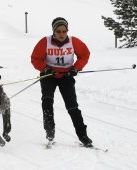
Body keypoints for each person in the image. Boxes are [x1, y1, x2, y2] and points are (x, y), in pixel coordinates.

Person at [31, 17, 92, 146]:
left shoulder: (73, 41)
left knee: (72, 106)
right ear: (54, 31)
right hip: (49, 75)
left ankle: (83, 135)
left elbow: (84, 55)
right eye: (58, 31)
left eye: (64, 31)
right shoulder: (45, 42)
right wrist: (45, 68)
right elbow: (35, 59)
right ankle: (50, 130)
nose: (61, 34)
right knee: (47, 101)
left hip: (66, 75)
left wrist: (76, 68)